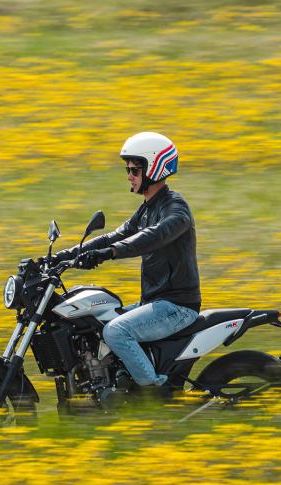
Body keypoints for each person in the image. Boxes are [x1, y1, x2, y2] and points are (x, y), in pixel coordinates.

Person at [54, 132, 201, 388]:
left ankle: (152, 391)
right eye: (128, 170)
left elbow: (153, 236)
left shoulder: (176, 209)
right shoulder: (147, 208)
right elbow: (113, 236)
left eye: (134, 170)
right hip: (153, 302)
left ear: (154, 168)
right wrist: (62, 256)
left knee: (116, 330)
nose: (129, 176)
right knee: (97, 323)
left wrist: (110, 253)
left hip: (177, 306)